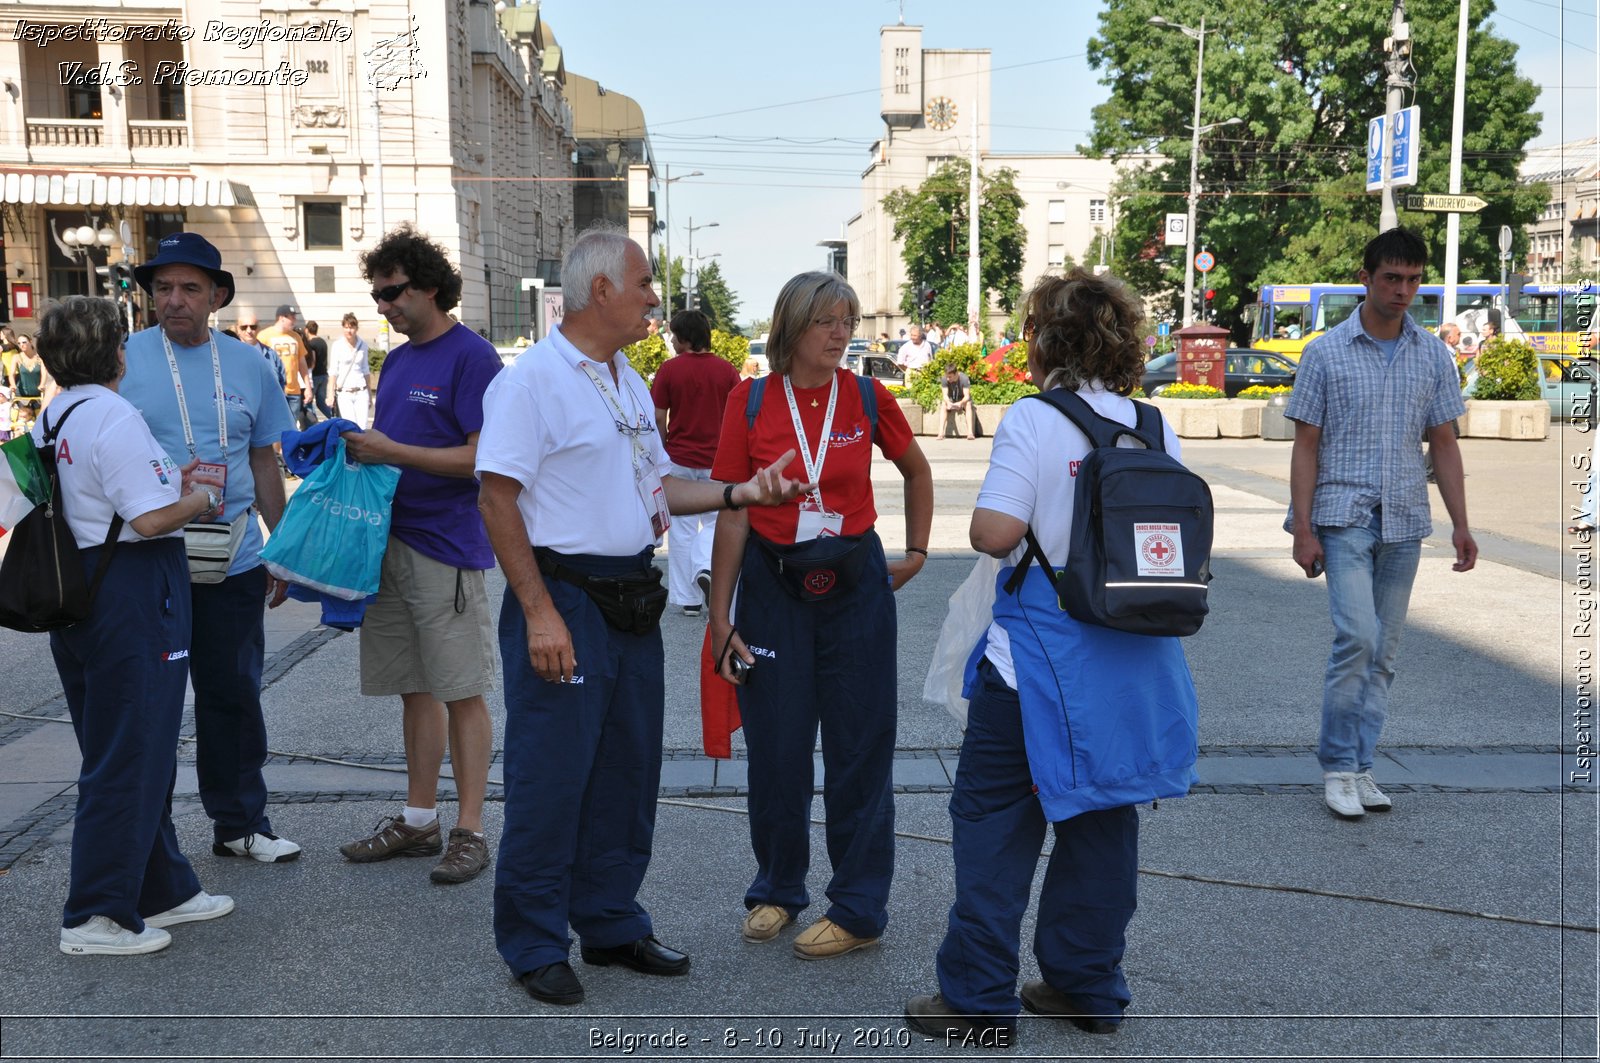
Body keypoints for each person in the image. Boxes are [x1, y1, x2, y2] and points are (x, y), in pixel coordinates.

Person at [476, 227, 812, 1006]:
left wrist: (742, 492)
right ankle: (532, 941)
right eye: (644, 284)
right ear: (600, 291)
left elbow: (659, 487)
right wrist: (538, 614)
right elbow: (496, 500)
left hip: (630, 592)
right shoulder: (531, 383)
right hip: (563, 594)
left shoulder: (625, 376)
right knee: (552, 775)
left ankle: (609, 920)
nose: (655, 298)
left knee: (626, 772)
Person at [905, 269, 1199, 1046]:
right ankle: (1086, 984)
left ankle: (976, 1000)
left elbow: (994, 535)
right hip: (1131, 660)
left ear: (1044, 340)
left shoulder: (1035, 420)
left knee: (994, 823)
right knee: (1103, 823)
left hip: (1036, 657)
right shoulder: (1152, 424)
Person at [710, 271, 933, 961]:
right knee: (776, 747)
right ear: (791, 326)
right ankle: (777, 886)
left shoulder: (867, 394)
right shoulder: (748, 402)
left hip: (856, 587)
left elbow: (917, 470)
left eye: (848, 320)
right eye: (826, 321)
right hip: (774, 588)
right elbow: (733, 510)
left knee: (859, 748)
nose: (840, 334)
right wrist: (721, 617)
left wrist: (917, 550)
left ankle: (860, 905)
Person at [39, 297, 237, 956]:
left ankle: (161, 885)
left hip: (77, 587)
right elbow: (152, 521)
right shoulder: (115, 415)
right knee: (133, 750)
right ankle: (95, 913)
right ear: (116, 352)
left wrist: (165, 489)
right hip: (131, 590)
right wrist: (203, 496)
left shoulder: (53, 413)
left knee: (121, 744)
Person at [122, 231, 302, 865]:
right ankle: (150, 837)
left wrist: (284, 547)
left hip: (234, 557)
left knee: (232, 694)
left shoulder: (251, 365)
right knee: (151, 702)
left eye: (189, 288)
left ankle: (241, 823)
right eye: (162, 288)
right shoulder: (123, 358)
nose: (173, 300)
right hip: (150, 557)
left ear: (217, 296)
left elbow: (262, 460)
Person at [1287, 228, 1476, 819]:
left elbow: (1443, 443)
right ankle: (1338, 766)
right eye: (1392, 278)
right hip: (1342, 517)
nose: (1404, 290)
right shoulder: (1325, 352)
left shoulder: (1430, 354)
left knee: (1385, 651)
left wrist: (1461, 525)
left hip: (1403, 522)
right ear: (1365, 279)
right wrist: (1302, 528)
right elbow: (1306, 445)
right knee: (1358, 639)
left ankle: (1363, 767)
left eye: (1414, 279)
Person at [335, 224, 504, 886]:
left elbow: (484, 459)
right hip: (392, 540)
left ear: (431, 286)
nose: (384, 306)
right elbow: (392, 446)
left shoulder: (473, 357)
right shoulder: (399, 358)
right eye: (376, 296)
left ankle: (469, 829)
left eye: (394, 292)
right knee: (415, 686)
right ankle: (417, 817)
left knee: (461, 688)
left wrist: (391, 451)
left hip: (448, 546)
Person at [650, 309, 742, 617]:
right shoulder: (727, 371)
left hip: (679, 458)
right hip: (719, 460)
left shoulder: (669, 370)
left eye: (675, 336)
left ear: (686, 338)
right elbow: (738, 416)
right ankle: (707, 568)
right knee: (717, 522)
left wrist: (660, 450)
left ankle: (687, 598)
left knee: (682, 527)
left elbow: (659, 416)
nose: (673, 341)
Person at [258, 305, 314, 430]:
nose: (294, 320)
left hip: (294, 391)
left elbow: (302, 364)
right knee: (273, 426)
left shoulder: (296, 337)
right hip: (274, 390)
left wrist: (308, 387)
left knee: (291, 427)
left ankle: (287, 450)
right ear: (282, 318)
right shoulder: (264, 336)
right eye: (292, 317)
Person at [328, 313, 374, 427]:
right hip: (344, 392)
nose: (349, 330)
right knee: (351, 427)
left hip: (361, 391)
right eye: (346, 327)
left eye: (352, 327)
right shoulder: (337, 345)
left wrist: (369, 393)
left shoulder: (362, 345)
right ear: (343, 328)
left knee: (362, 428)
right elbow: (333, 371)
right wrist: (330, 394)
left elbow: (365, 370)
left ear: (356, 329)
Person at [304, 320, 332, 418]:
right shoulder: (322, 342)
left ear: (306, 330)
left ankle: (313, 422)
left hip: (315, 376)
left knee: (309, 402)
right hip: (324, 374)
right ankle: (333, 417)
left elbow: (313, 361)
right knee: (321, 402)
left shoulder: (310, 344)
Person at [940, 363, 975, 439]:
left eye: (950, 377)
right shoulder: (944, 379)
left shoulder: (964, 378)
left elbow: (967, 396)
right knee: (943, 404)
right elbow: (945, 395)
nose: (948, 379)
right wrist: (948, 402)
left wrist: (960, 403)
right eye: (947, 376)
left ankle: (970, 433)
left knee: (968, 404)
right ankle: (940, 433)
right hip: (951, 399)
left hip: (961, 399)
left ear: (956, 374)